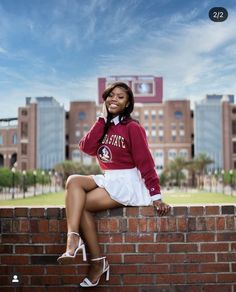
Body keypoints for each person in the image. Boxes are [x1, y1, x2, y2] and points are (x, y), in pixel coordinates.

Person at [57, 82, 170, 287]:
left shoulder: (133, 128)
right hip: (109, 178)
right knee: (73, 181)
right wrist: (101, 119)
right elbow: (86, 147)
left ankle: (96, 262)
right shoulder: (104, 125)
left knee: (79, 205)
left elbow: (146, 162)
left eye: (120, 97)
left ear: (127, 104)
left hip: (127, 183)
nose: (114, 99)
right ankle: (74, 238)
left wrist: (156, 196)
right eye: (111, 95)